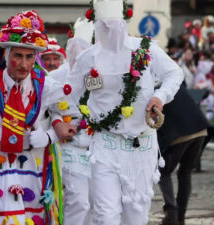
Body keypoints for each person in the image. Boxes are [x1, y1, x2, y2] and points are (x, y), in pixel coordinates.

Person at [0, 10, 77, 225]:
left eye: (30, 57)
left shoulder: (46, 85)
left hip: (34, 162)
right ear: (6, 55)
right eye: (18, 56)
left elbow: (73, 116)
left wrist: (50, 136)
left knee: (33, 217)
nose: (23, 64)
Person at [67, 0, 183, 224]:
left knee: (136, 213)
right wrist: (75, 120)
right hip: (105, 143)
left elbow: (174, 73)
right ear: (97, 25)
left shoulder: (145, 49)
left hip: (141, 144)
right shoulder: (88, 58)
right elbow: (70, 93)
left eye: (115, 25)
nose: (111, 31)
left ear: (123, 23)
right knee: (105, 214)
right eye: (105, 26)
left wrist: (161, 96)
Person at [49, 17, 95, 225]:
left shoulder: (98, 75)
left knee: (97, 202)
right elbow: (47, 107)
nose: (78, 55)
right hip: (68, 146)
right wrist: (58, 121)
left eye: (83, 50)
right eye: (74, 49)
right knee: (78, 201)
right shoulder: (57, 77)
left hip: (95, 146)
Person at [157, 86, 209, 225]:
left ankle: (171, 215)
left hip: (181, 133)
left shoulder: (154, 88)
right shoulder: (173, 82)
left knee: (163, 172)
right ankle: (180, 216)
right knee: (185, 173)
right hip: (200, 129)